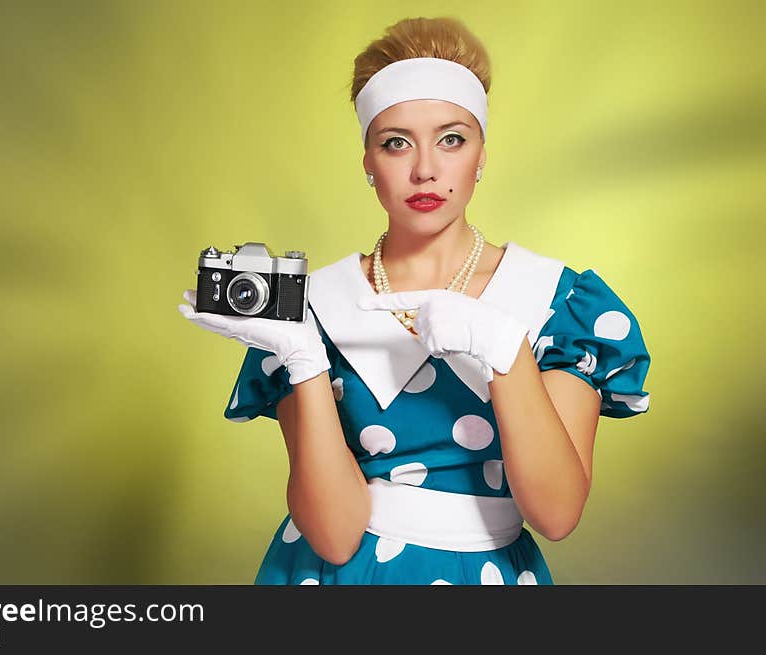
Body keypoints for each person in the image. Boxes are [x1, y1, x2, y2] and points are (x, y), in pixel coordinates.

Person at [178, 16, 651, 585]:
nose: (425, 169)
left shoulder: (557, 304)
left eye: (452, 139)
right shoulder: (313, 308)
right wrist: (305, 362)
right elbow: (332, 534)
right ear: (368, 165)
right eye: (395, 143)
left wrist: (505, 349)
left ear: (481, 154)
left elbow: (555, 514)